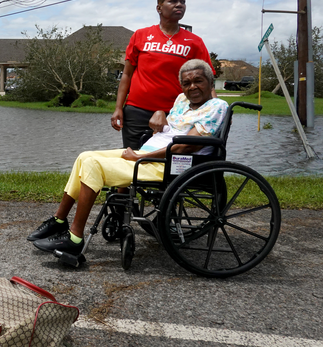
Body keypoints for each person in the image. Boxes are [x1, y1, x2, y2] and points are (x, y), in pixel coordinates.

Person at [28, 59, 227, 256]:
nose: (192, 87)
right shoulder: (182, 101)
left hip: (167, 164)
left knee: (92, 165)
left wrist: (142, 157)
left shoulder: (216, 106)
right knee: (84, 156)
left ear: (210, 83)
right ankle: (59, 221)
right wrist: (160, 114)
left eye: (198, 81)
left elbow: (183, 146)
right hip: (148, 155)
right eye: (186, 83)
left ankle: (74, 238)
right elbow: (172, 129)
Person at [112, 0, 216, 150]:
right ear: (159, 8)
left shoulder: (195, 42)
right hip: (137, 112)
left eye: (183, 1)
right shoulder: (140, 35)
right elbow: (127, 75)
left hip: (176, 115)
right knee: (134, 161)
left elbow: (208, 82)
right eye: (173, 1)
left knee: (169, 162)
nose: (179, 4)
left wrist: (214, 109)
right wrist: (118, 108)